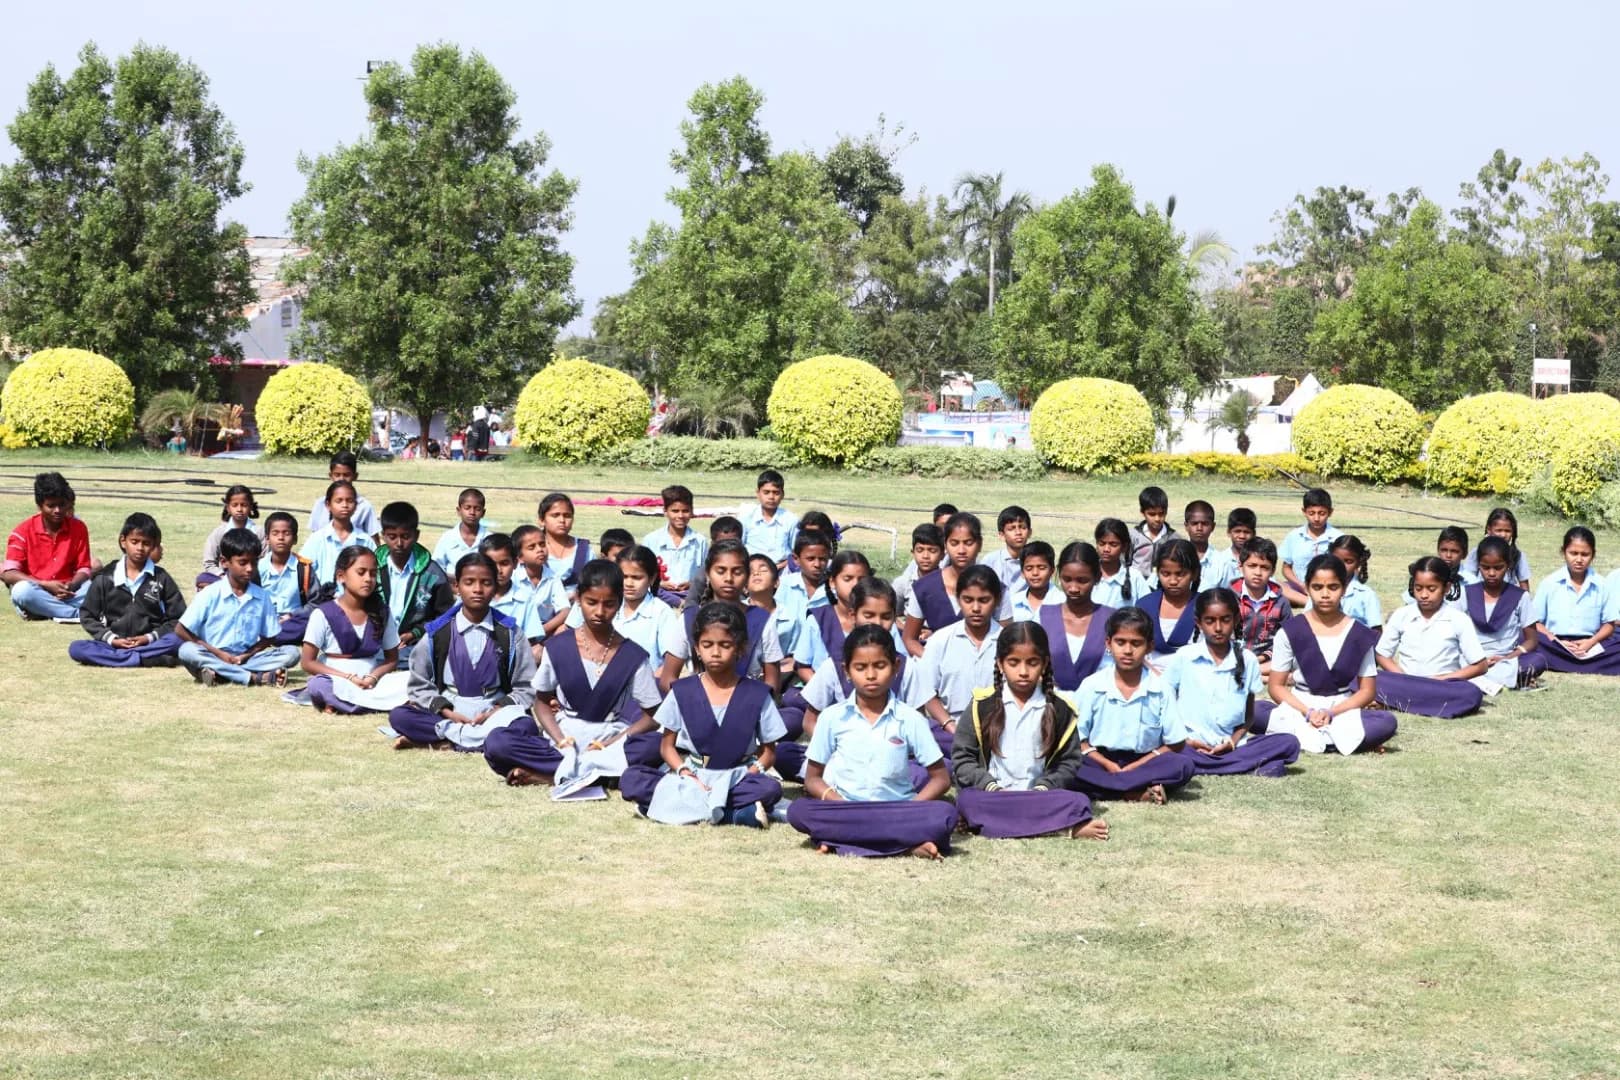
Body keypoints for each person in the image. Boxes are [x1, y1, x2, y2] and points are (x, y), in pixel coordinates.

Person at [483, 559, 663, 789]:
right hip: (564, 738)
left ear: (619, 603)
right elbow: (541, 703)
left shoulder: (633, 655)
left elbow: (652, 716)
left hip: (609, 741)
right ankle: (594, 774)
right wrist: (561, 741)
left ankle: (553, 774)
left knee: (656, 745)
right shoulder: (558, 647)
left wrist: (615, 741)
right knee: (498, 742)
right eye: (591, 602)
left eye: (609, 604)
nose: (599, 612)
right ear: (578, 598)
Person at [786, 625, 958, 860]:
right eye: (860, 667)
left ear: (896, 667)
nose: (870, 675)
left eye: (880, 666)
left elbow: (941, 778)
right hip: (847, 808)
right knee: (799, 812)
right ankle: (904, 845)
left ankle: (842, 842)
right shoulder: (832, 717)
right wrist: (840, 804)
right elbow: (813, 779)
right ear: (846, 670)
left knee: (945, 815)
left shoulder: (911, 718)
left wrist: (912, 807)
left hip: (898, 809)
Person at [618, 603, 786, 828]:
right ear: (697, 648)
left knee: (770, 789)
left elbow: (769, 752)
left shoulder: (756, 693)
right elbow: (667, 746)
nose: (715, 652)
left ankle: (671, 806)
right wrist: (685, 772)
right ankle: (734, 814)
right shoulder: (682, 690)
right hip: (694, 776)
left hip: (738, 777)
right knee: (632, 778)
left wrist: (750, 773)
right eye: (707, 645)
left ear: (740, 648)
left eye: (725, 645)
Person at [951, 622, 1107, 840]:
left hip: (1039, 796)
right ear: (1000, 664)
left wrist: (1043, 788)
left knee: (1078, 801)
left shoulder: (1061, 709)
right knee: (968, 801)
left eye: (1032, 663)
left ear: (1044, 664)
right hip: (994, 795)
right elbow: (962, 758)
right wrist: (991, 787)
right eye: (1013, 663)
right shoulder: (981, 704)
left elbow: (1069, 763)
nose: (1023, 672)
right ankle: (1061, 828)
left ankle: (989, 825)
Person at [385, 553, 537, 751]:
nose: (477, 589)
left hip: (494, 710)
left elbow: (526, 686)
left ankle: (446, 739)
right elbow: (419, 684)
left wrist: (496, 710)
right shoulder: (438, 632)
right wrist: (447, 712)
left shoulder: (509, 632)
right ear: (456, 586)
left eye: (486, 583)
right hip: (451, 709)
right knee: (400, 716)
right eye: (469, 582)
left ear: (496, 587)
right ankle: (477, 740)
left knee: (527, 726)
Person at [1259, 554, 1398, 755]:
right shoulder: (1290, 630)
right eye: (1317, 587)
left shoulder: (1359, 633)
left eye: (1333, 587)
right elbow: (1276, 686)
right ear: (1307, 588)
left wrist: (1332, 713)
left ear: (1344, 589)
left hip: (1342, 709)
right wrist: (1307, 712)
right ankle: (1339, 740)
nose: (1325, 594)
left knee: (1387, 722)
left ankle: (1304, 738)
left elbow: (1367, 691)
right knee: (1254, 711)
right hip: (1300, 706)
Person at [1165, 588, 1299, 776]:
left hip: (1231, 747)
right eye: (1210, 621)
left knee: (1289, 742)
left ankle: (1207, 766)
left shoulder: (1248, 660)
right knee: (1165, 750)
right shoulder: (1184, 657)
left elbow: (1249, 716)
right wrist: (1185, 740)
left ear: (1235, 620)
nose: (1218, 628)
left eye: (1225, 620)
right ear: (1199, 623)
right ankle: (1245, 766)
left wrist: (1232, 742)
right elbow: (1166, 707)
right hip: (1190, 745)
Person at [1070, 607, 1196, 803]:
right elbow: (1078, 740)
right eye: (1121, 642)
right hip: (1100, 761)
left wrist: (1135, 767)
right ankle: (1133, 792)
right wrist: (1107, 764)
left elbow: (1176, 743)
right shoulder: (1092, 685)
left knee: (1183, 765)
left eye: (1136, 643)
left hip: (1146, 761)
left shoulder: (1161, 687)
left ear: (1149, 646)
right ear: (1108, 644)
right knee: (1069, 766)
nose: (1128, 651)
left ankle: (1108, 789)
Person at [176, 528, 300, 686]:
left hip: (247, 659)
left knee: (292, 653)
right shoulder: (210, 593)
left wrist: (246, 655)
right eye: (242, 563)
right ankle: (254, 678)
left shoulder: (262, 597)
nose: (249, 568)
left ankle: (221, 675)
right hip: (213, 654)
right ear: (224, 562)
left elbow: (270, 635)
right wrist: (218, 653)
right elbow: (180, 629)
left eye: (254, 562)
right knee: (186, 650)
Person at [1373, 556, 1488, 718]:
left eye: (1431, 589)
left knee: (1472, 693)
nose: (1424, 595)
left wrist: (1443, 679)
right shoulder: (1402, 615)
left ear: (1446, 588)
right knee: (1366, 677)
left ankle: (1398, 702)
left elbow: (1480, 665)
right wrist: (1402, 676)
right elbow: (1381, 654)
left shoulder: (1459, 619)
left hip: (1440, 686)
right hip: (1405, 682)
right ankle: (1420, 704)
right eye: (1418, 588)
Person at [68, 512, 184, 669]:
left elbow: (178, 617)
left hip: (150, 643)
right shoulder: (105, 577)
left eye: (146, 543)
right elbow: (87, 615)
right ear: (123, 541)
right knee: (77, 648)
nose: (140, 548)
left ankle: (124, 659)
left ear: (153, 545)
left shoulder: (161, 578)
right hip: (114, 644)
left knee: (179, 641)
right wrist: (111, 639)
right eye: (134, 542)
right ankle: (144, 659)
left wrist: (148, 638)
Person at [563, 545, 685, 691]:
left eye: (636, 577)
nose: (629, 583)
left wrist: (647, 686)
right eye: (624, 577)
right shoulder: (598, 602)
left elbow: (668, 664)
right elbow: (568, 637)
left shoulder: (661, 612)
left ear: (652, 578)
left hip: (641, 692)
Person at [301, 547, 405, 714]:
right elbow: (307, 662)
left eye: (372, 573)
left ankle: (346, 704)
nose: (368, 579)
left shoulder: (382, 612)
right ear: (341, 576)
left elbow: (392, 659)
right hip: (337, 679)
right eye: (361, 572)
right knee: (318, 684)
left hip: (371, 682)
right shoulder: (323, 613)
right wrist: (348, 678)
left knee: (409, 679)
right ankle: (372, 705)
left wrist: (373, 677)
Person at [917, 565, 1005, 756]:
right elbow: (926, 691)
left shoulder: (1008, 641)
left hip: (999, 730)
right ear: (958, 599)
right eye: (968, 600)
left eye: (984, 600)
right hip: (950, 728)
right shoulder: (940, 641)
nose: (975, 608)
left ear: (997, 601)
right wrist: (950, 726)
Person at [902, 511, 1012, 657]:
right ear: (945, 545)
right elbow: (909, 639)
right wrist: (934, 662)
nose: (961, 550)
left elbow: (1006, 640)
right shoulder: (924, 588)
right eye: (954, 543)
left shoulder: (996, 588)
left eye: (968, 543)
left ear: (979, 544)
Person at [680, 541, 783, 690]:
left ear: (747, 575)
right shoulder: (690, 618)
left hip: (748, 704)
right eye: (721, 571)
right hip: (697, 704)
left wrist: (756, 704)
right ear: (708, 574)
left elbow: (772, 681)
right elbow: (668, 677)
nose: (728, 578)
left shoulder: (761, 620)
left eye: (737, 572)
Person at [4, 471, 93, 621]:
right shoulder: (22, 531)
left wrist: (71, 585)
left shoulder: (79, 528)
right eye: (51, 506)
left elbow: (84, 568)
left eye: (62, 504)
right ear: (39, 506)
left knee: (96, 588)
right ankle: (76, 615)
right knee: (21, 591)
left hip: (69, 592)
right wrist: (45, 585)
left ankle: (45, 612)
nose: (58, 510)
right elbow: (8, 573)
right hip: (38, 590)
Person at [1533, 526, 1620, 674]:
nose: (1579, 559)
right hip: (1556, 644)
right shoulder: (1549, 583)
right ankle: (1586, 665)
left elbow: (1609, 624)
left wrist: (1591, 642)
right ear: (1563, 552)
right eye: (1573, 553)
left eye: (1585, 554)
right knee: (1529, 638)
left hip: (1592, 644)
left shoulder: (1602, 585)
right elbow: (1534, 622)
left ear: (1593, 555)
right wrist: (1555, 639)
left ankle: (1562, 663)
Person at [1465, 535, 1547, 691]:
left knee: (1538, 661)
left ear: (1508, 566)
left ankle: (1473, 676)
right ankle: (1509, 679)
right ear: (1478, 566)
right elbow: (1455, 634)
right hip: (1472, 658)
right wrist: (1476, 658)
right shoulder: (1467, 593)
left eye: (1498, 567)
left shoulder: (1520, 596)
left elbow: (1532, 640)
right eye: (1485, 567)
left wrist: (1507, 657)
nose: (1491, 573)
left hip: (1505, 660)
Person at [375, 501, 454, 658]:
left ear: (416, 535)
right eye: (392, 537)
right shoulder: (371, 567)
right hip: (374, 645)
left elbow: (445, 616)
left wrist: (415, 633)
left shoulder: (432, 573)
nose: (399, 543)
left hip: (415, 647)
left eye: (405, 537)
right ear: (383, 535)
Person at [1042, 541, 1115, 696]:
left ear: (1097, 577)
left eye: (1082, 581)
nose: (1073, 588)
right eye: (1066, 579)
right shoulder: (1043, 617)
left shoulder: (1112, 620)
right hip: (1052, 705)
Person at [1133, 539, 1201, 664]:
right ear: (1157, 573)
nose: (1173, 581)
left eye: (1180, 574)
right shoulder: (1144, 606)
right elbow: (1136, 648)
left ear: (1194, 574)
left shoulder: (1204, 607)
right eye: (1166, 574)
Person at [258, 512, 321, 645]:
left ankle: (267, 638)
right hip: (263, 619)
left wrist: (292, 615)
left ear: (295, 539)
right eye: (275, 533)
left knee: (310, 624)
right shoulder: (257, 567)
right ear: (267, 538)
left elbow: (315, 603)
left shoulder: (304, 568)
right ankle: (269, 635)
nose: (281, 538)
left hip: (293, 621)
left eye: (286, 533)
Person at [644, 484, 707, 606]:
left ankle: (685, 603)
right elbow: (644, 572)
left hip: (690, 592)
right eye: (675, 511)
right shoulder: (651, 540)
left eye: (685, 511)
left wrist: (691, 583)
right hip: (660, 592)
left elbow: (705, 573)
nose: (680, 516)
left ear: (692, 511)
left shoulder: (700, 541)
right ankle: (680, 603)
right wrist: (660, 583)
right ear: (665, 511)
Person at [300, 481, 373, 587]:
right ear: (328, 505)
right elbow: (303, 570)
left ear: (356, 505)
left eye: (349, 501)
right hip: (323, 600)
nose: (345, 505)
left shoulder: (365, 540)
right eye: (339, 501)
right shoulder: (317, 539)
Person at [1279, 488, 1340, 607]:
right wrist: (1301, 585)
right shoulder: (1295, 536)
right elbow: (1286, 568)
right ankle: (1309, 603)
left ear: (1330, 512)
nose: (1316, 518)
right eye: (1311, 513)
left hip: (1327, 587)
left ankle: (1314, 602)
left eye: (1322, 513)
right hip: (1301, 588)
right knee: (1274, 585)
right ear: (1304, 511)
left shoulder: (1337, 538)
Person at [1234, 537, 1286, 674]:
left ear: (1273, 570)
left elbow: (1288, 637)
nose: (1257, 573)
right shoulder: (1229, 597)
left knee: (1296, 655)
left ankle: (1252, 671)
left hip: (1268, 658)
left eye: (1264, 567)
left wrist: (1262, 657)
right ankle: (1261, 675)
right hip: (1234, 654)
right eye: (1252, 566)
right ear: (1240, 566)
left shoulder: (1280, 601)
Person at [197, 485, 262, 589]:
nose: (239, 509)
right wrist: (222, 577)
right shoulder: (219, 533)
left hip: (252, 578)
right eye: (235, 505)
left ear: (250, 507)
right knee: (202, 580)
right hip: (223, 579)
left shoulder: (259, 532)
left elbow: (265, 561)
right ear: (228, 507)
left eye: (244, 505)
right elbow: (209, 561)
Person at [308, 451, 380, 538]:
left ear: (355, 476)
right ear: (330, 476)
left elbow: (374, 541)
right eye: (337, 475)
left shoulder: (364, 506)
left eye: (346, 475)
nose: (341, 479)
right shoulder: (320, 504)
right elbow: (314, 536)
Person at [742, 470, 799, 570]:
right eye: (766, 492)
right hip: (751, 570)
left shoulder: (791, 520)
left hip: (782, 571)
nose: (771, 497)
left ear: (782, 495)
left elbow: (797, 553)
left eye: (776, 493)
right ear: (758, 493)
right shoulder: (746, 518)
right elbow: (738, 549)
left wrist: (776, 568)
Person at [537, 492, 591, 595]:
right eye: (555, 515)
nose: (562, 520)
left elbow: (593, 582)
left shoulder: (584, 550)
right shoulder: (532, 548)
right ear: (541, 520)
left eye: (567, 516)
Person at [1460, 508, 1530, 586]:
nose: (1503, 535)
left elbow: (1524, 585)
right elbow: (1468, 579)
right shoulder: (1477, 552)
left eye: (1507, 531)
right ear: (1489, 530)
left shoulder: (1517, 555)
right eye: (1499, 530)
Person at [1093, 518, 1152, 609]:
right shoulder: (1089, 575)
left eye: (1113, 544)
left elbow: (1148, 608)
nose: (1106, 549)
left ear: (1124, 547)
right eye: (1102, 543)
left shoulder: (1134, 577)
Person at [430, 488, 490, 573]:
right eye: (467, 508)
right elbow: (436, 567)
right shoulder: (448, 538)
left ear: (483, 513)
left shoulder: (488, 539)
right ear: (459, 511)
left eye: (477, 509)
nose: (472, 512)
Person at [1330, 535, 1384, 628]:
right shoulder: (1321, 589)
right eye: (1336, 560)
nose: (1341, 566)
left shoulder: (1366, 595)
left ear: (1359, 563)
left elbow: (1376, 631)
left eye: (1348, 561)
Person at [1184, 500, 1238, 591]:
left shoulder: (1223, 564)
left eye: (1205, 524)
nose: (1199, 528)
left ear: (1213, 526)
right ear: (1186, 526)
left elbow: (1229, 598)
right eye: (1194, 523)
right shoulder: (1176, 557)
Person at [892, 523, 944, 614]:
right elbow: (891, 616)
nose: (925, 556)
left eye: (932, 551)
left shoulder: (949, 584)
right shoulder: (902, 584)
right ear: (913, 553)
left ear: (942, 555)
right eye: (920, 550)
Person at [1129, 486, 1176, 577]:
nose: (1157, 519)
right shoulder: (1133, 536)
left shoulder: (1174, 538)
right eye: (1152, 514)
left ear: (1166, 512)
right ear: (1142, 512)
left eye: (1161, 514)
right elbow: (1124, 562)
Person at [982, 505, 1032, 592]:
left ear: (1029, 532)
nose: (1018, 532)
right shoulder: (990, 561)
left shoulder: (1036, 561)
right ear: (1001, 535)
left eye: (1022, 527)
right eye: (1011, 528)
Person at [1009, 541, 1062, 622]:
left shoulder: (1062, 602)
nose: (1035, 573)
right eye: (1029, 568)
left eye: (1041, 568)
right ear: (1022, 572)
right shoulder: (1013, 603)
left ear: (1052, 571)